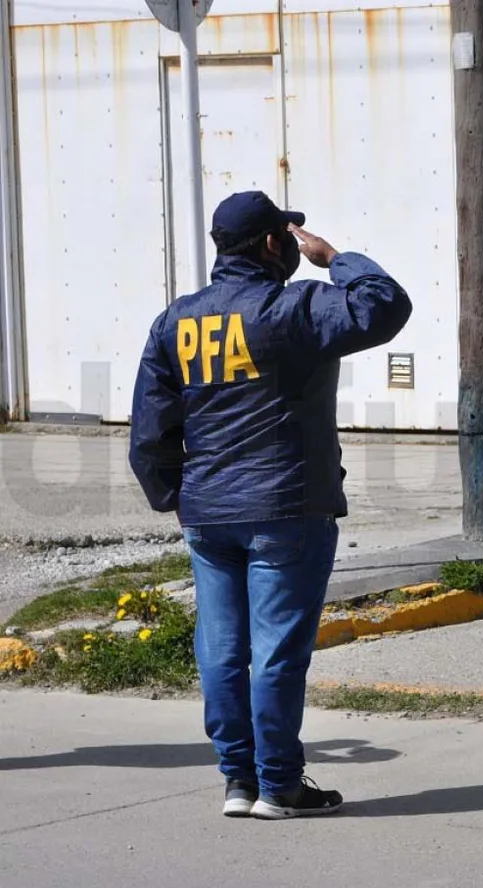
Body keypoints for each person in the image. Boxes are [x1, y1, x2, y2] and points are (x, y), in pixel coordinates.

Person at [128, 191, 412, 820]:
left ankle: (238, 780)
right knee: (278, 651)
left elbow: (150, 428)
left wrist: (172, 495)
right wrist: (335, 257)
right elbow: (385, 305)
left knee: (223, 651)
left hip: (208, 511)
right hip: (286, 506)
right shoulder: (296, 306)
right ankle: (278, 783)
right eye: (289, 233)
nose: (293, 242)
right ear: (270, 243)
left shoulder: (177, 319)